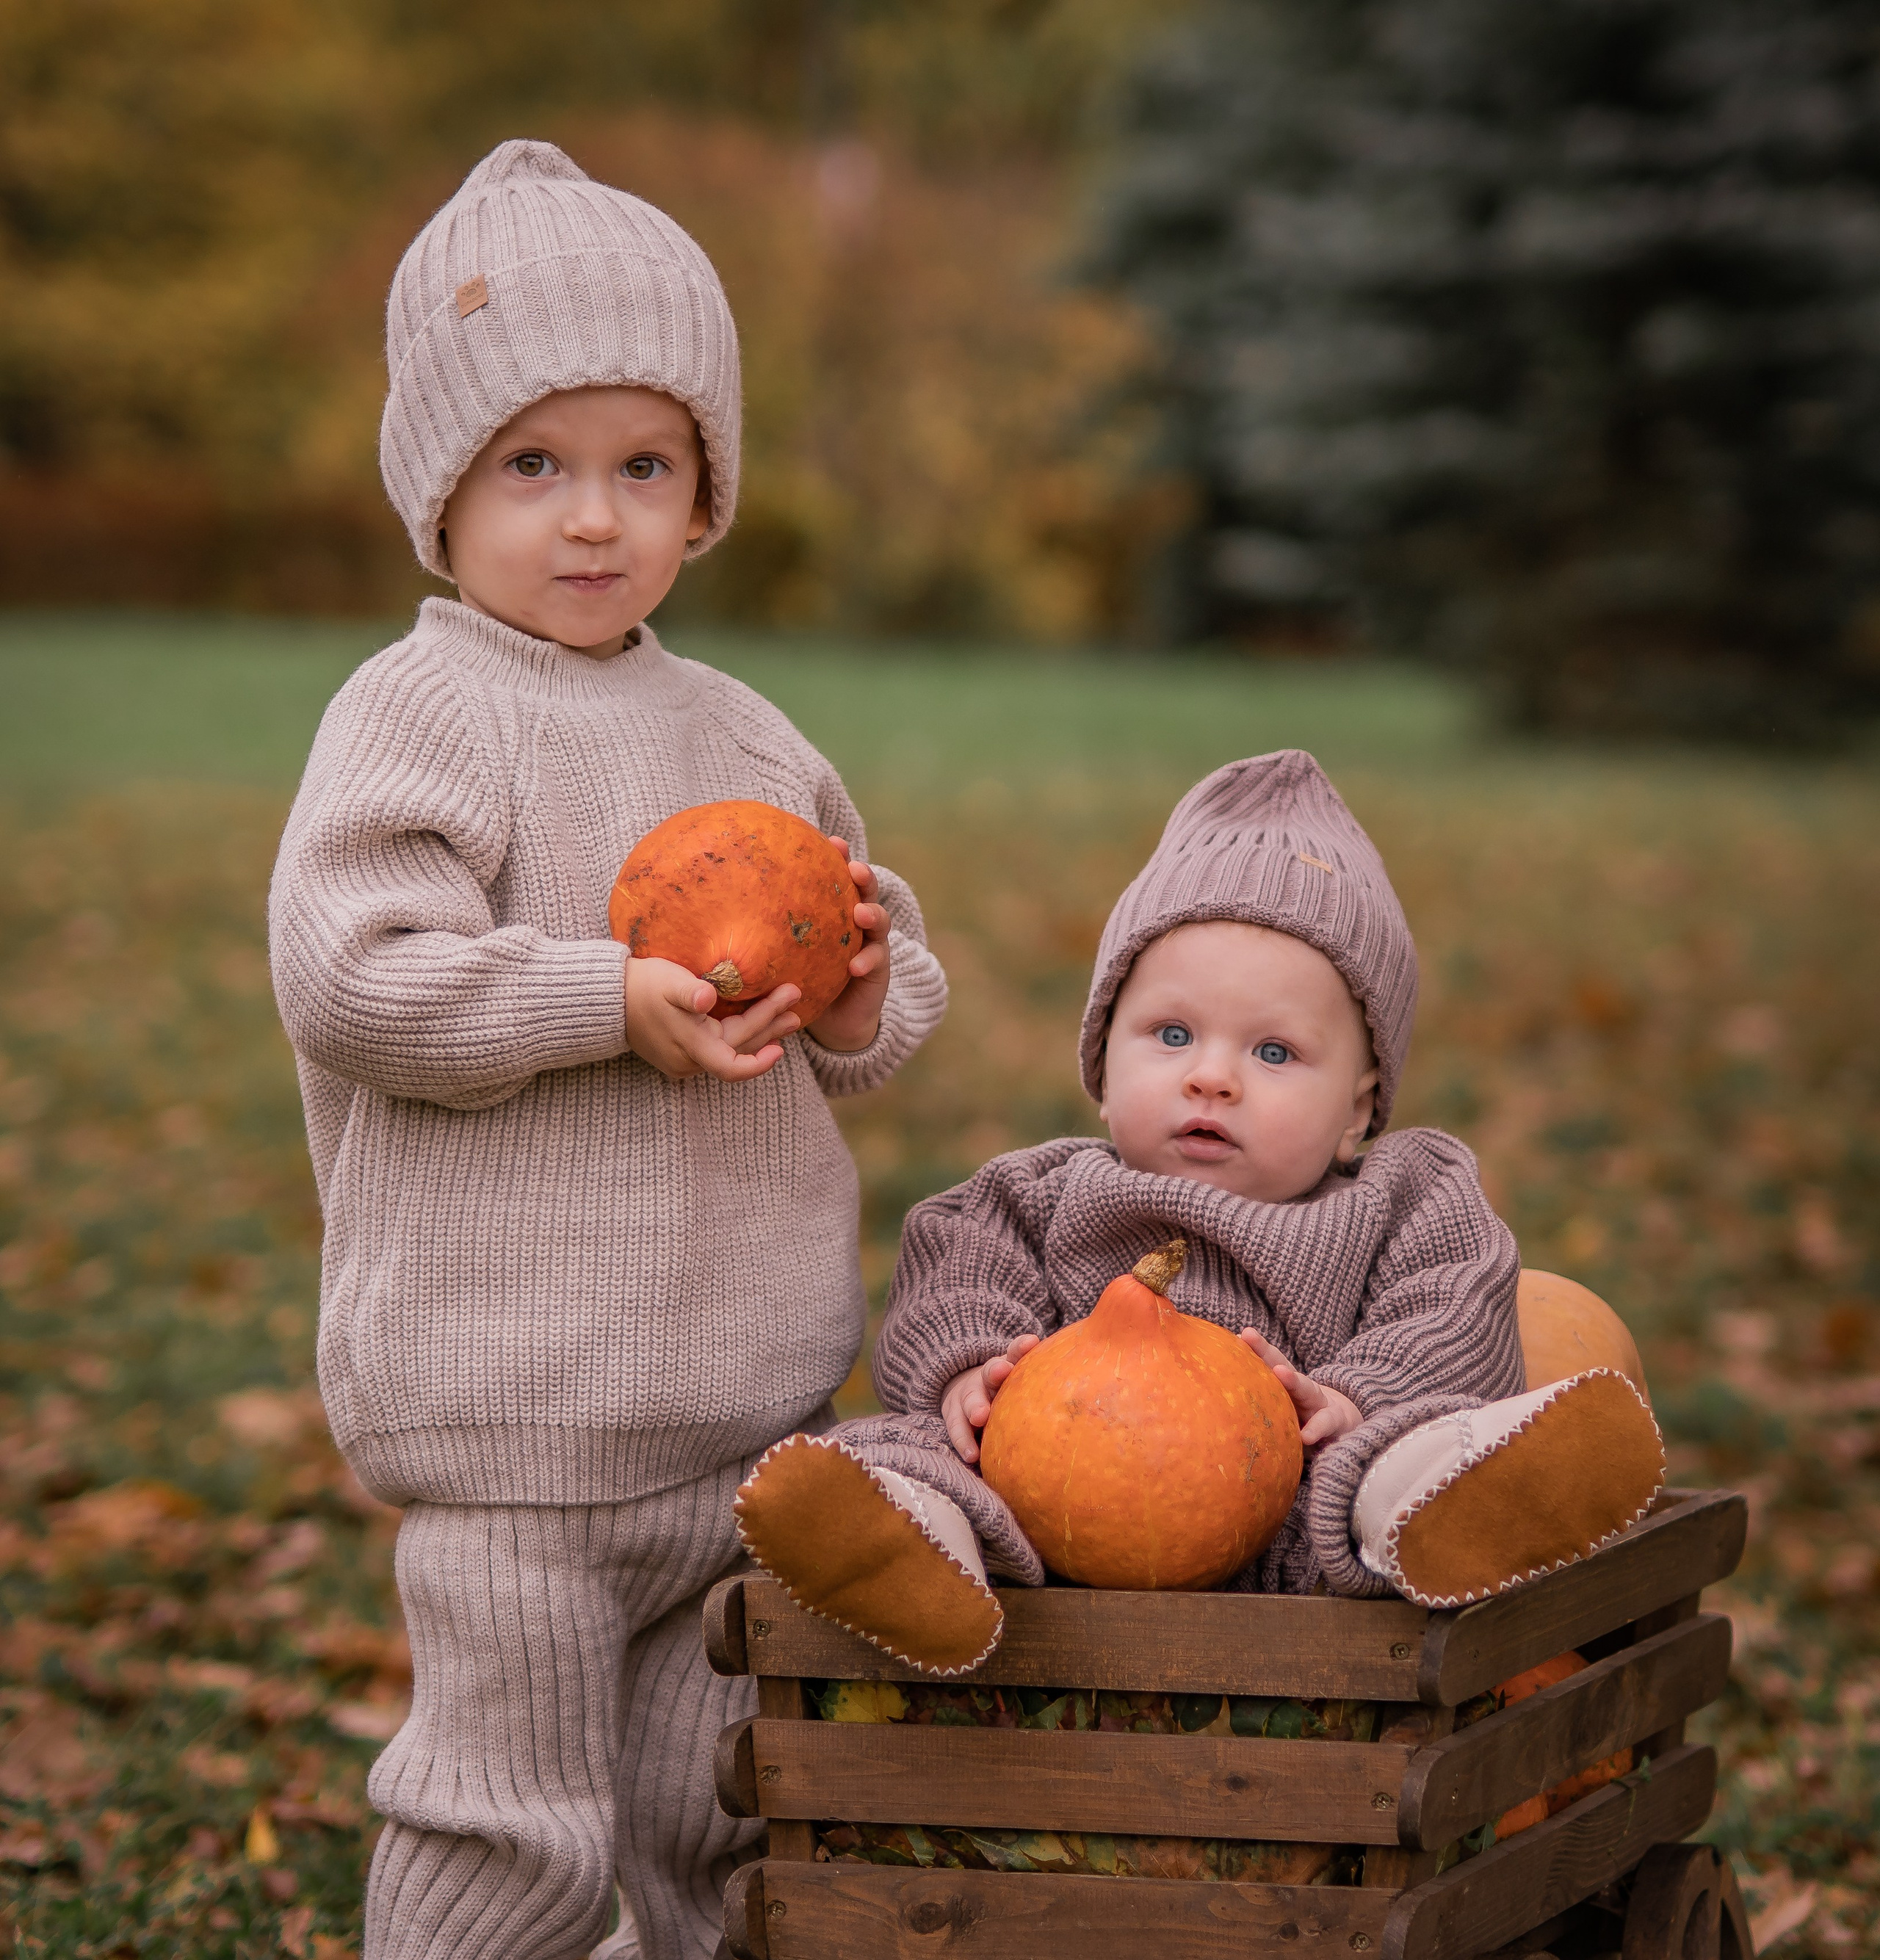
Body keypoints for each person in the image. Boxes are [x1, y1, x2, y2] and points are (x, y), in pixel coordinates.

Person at [267, 140, 947, 1960]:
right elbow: (354, 978)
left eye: (642, 466)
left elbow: (873, 994)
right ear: (441, 490)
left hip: (740, 1412)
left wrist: (867, 988)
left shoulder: (741, 729)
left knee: (706, 1817)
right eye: (534, 467)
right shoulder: (421, 711)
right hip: (515, 1426)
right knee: (510, 1820)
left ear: (703, 496)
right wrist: (602, 998)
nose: (591, 519)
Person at [736, 751, 1664, 1675]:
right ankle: (910, 1548)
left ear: (1355, 1105)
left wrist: (1358, 1400)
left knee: (1400, 1462)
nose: (1211, 1075)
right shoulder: (1046, 1192)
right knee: (911, 1453)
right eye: (1171, 1034)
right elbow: (957, 1267)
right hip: (1055, 1525)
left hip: (1307, 1501)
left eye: (1273, 1050)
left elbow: (1454, 1308)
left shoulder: (1403, 1199)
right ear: (1103, 1065)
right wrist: (969, 1373)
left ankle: (1457, 1504)